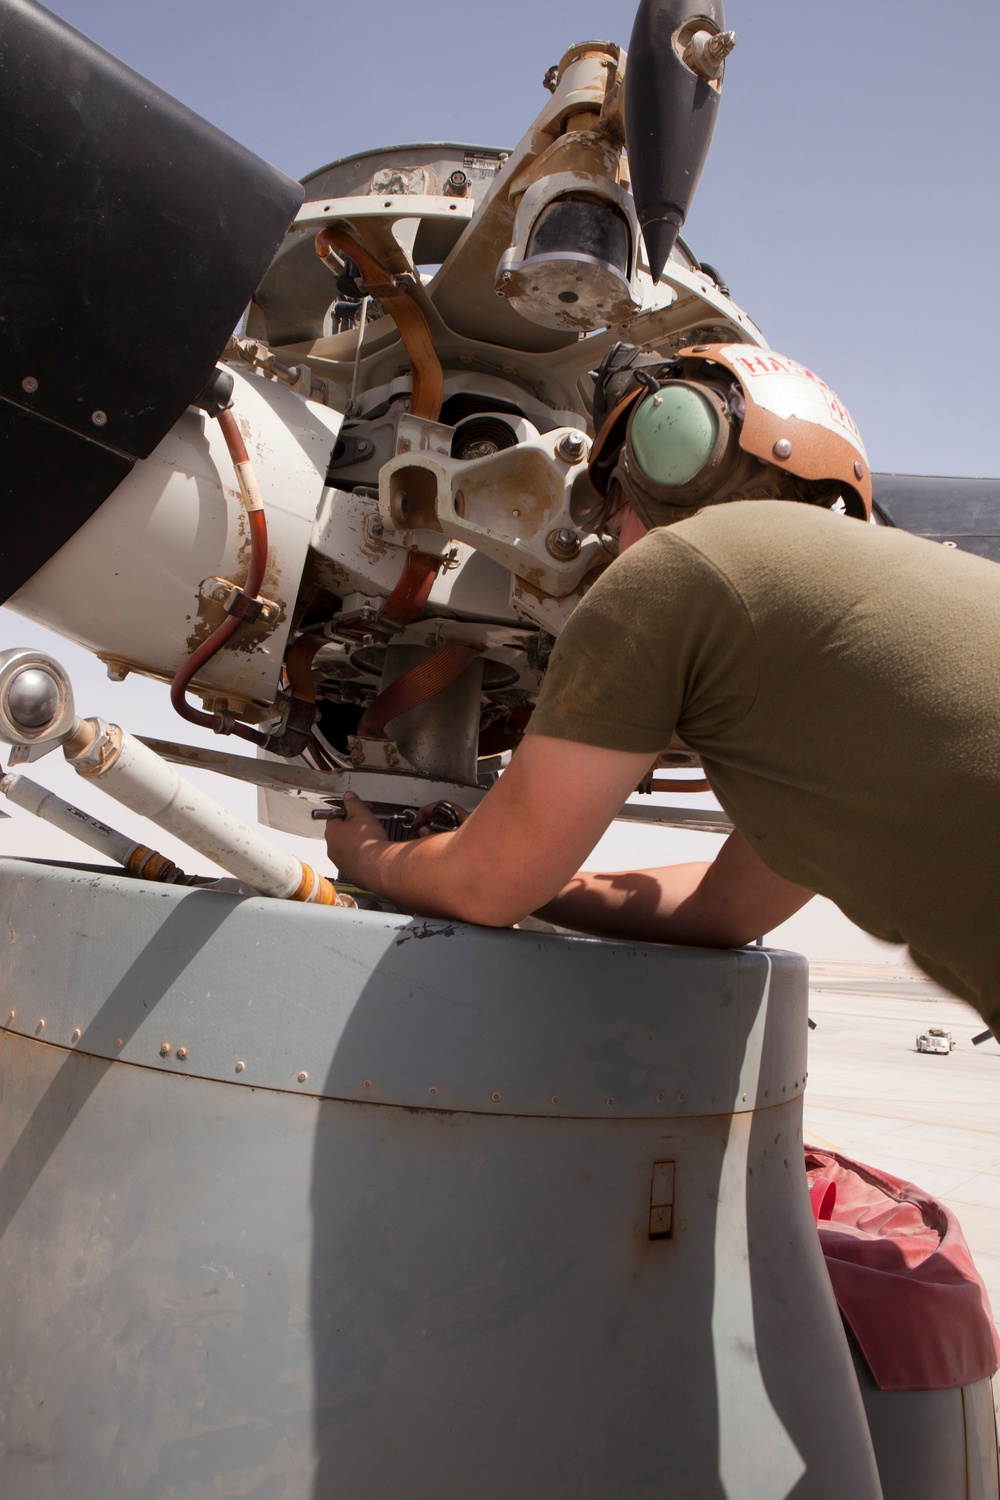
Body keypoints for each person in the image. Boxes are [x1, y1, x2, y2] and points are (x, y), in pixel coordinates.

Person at [325, 344, 1000, 1033]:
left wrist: (370, 857)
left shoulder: (675, 570)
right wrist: (536, 874)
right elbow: (724, 908)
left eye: (611, 504)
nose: (609, 537)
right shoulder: (869, 625)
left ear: (661, 462)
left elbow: (486, 887)